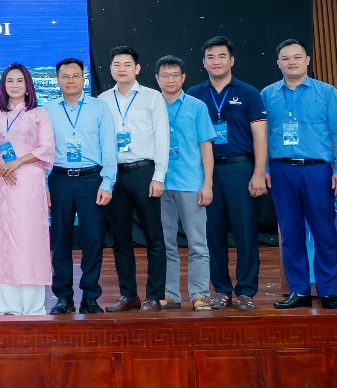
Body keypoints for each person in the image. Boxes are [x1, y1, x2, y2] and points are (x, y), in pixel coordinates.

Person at [261, 39, 337, 310]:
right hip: (281, 170)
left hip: (317, 170)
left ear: (307, 60)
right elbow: (261, 137)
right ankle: (299, 290)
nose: (292, 62)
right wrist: (263, 169)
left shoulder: (326, 92)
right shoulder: (267, 94)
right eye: (286, 58)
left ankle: (328, 291)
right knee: (290, 233)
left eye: (297, 57)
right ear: (278, 63)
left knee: (324, 232)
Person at [189, 36, 268, 311]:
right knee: (213, 235)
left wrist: (259, 173)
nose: (216, 61)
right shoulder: (195, 94)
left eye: (221, 56)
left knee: (246, 233)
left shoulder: (249, 93)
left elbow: (260, 136)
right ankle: (221, 290)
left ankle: (246, 291)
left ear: (231, 60)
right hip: (207, 174)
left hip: (241, 168)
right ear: (203, 62)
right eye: (210, 57)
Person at [97, 46, 170, 313]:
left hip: (144, 172)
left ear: (137, 69)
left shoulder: (153, 97)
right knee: (120, 239)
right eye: (117, 64)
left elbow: (162, 137)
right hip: (114, 174)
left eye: (127, 64)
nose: (122, 69)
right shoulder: (102, 100)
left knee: (154, 237)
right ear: (110, 69)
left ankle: (154, 296)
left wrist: (159, 176)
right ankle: (128, 295)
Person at [43, 57, 117, 315]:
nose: (70, 80)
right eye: (65, 76)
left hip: (91, 179)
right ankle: (63, 297)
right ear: (57, 80)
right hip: (59, 179)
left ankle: (90, 297)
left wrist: (108, 183)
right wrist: (44, 185)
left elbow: (109, 147)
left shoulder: (99, 108)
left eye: (75, 75)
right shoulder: (48, 110)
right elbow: (43, 151)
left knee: (93, 239)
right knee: (60, 240)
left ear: (84, 78)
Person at [0, 65, 55, 316]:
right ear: (3, 86)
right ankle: (8, 306)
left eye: (19, 81)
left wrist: (17, 162)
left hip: (28, 181)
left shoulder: (38, 114)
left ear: (27, 86)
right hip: (2, 182)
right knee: (3, 239)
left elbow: (46, 147)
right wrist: (2, 166)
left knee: (29, 239)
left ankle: (33, 307)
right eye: (9, 81)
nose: (14, 85)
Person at [155, 56, 217, 311]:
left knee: (198, 244)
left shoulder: (197, 106)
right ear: (157, 79)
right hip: (160, 184)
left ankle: (199, 295)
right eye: (165, 75)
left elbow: (206, 146)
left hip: (191, 183)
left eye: (175, 75)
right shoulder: (151, 105)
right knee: (165, 244)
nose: (170, 79)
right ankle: (170, 294)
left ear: (183, 78)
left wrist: (208, 183)